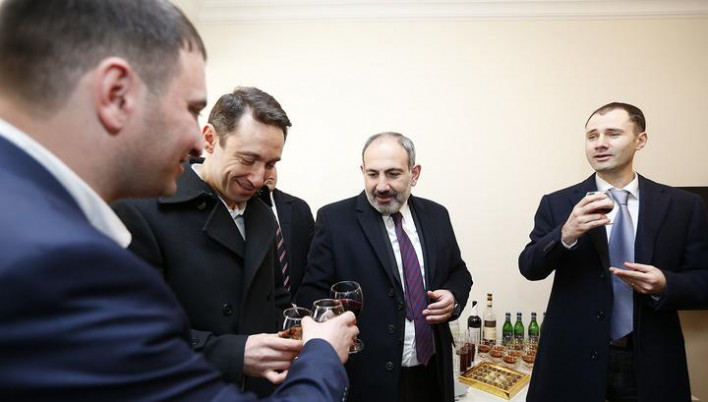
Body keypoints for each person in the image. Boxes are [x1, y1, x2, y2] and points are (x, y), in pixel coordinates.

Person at [0, 1, 358, 401]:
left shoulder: (32, 212)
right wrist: (323, 354)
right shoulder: (54, 254)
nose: (194, 143)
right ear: (115, 94)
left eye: (270, 163)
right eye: (191, 109)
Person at [112, 87, 302, 396]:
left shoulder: (263, 215)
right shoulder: (143, 208)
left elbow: (277, 297)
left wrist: (308, 332)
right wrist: (234, 354)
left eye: (270, 164)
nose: (259, 178)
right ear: (210, 139)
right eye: (248, 159)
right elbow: (130, 330)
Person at [519, 102, 708, 402]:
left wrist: (666, 284)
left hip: (651, 359)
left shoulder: (683, 206)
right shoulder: (558, 203)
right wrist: (565, 233)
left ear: (640, 140)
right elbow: (529, 267)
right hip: (571, 358)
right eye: (592, 136)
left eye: (613, 134)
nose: (600, 143)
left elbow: (703, 281)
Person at [296, 132, 473, 402]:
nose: (381, 185)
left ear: (414, 173)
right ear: (362, 171)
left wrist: (453, 297)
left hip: (432, 376)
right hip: (367, 382)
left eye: (393, 174)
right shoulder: (334, 220)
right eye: (372, 174)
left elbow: (458, 272)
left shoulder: (437, 215)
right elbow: (311, 294)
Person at [258, 166, 316, 298]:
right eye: (264, 166)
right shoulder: (239, 210)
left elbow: (316, 260)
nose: (270, 172)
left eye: (272, 165)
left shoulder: (299, 208)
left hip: (300, 302)